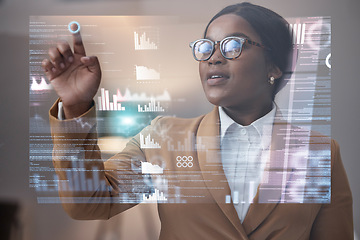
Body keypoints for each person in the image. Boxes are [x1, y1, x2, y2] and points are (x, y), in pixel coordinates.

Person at [42, 2, 353, 239]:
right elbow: (89, 203)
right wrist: (76, 106)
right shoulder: (164, 138)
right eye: (206, 47)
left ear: (274, 65)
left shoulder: (320, 153)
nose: (213, 58)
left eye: (233, 45)